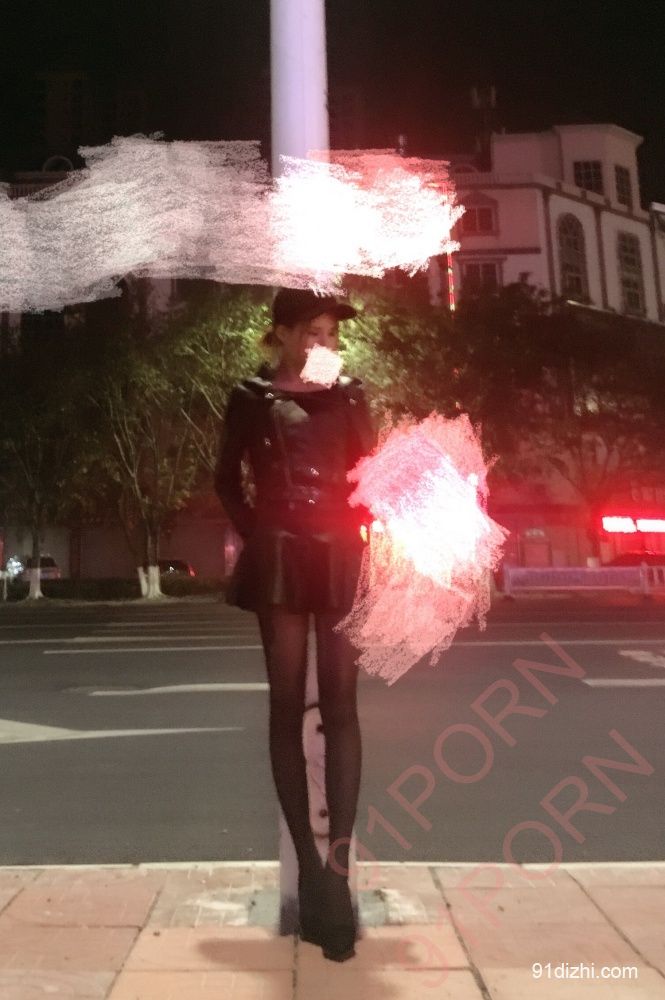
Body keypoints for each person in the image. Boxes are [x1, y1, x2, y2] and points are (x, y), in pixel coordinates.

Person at [214, 287, 377, 962]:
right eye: (311, 332)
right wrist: (262, 533)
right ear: (279, 333)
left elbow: (372, 476)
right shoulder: (250, 397)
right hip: (280, 554)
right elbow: (226, 480)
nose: (324, 344)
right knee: (285, 708)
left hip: (340, 552)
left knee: (342, 707)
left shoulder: (351, 394)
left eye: (331, 334)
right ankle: (308, 871)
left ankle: (336, 872)